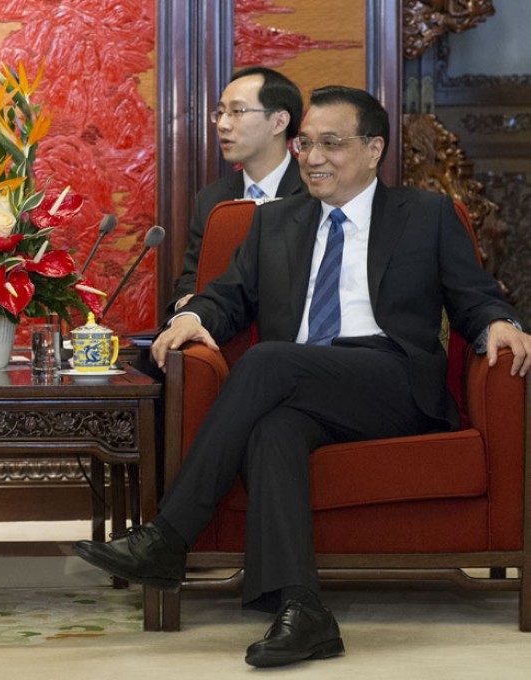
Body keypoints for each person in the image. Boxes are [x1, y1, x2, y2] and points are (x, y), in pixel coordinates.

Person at [74, 85, 531, 668]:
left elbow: (476, 297)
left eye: (331, 144)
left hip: (393, 383)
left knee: (269, 360)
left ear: (373, 149)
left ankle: (169, 535)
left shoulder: (427, 215)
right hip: (302, 385)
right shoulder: (273, 223)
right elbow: (226, 299)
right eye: (306, 144)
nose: (313, 157)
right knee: (276, 431)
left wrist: (499, 322)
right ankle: (302, 609)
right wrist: (190, 317)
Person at [169, 66, 305, 313]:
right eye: (220, 113)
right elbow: (192, 277)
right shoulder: (211, 199)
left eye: (237, 112)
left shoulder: (313, 193)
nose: (222, 124)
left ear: (279, 121)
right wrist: (188, 305)